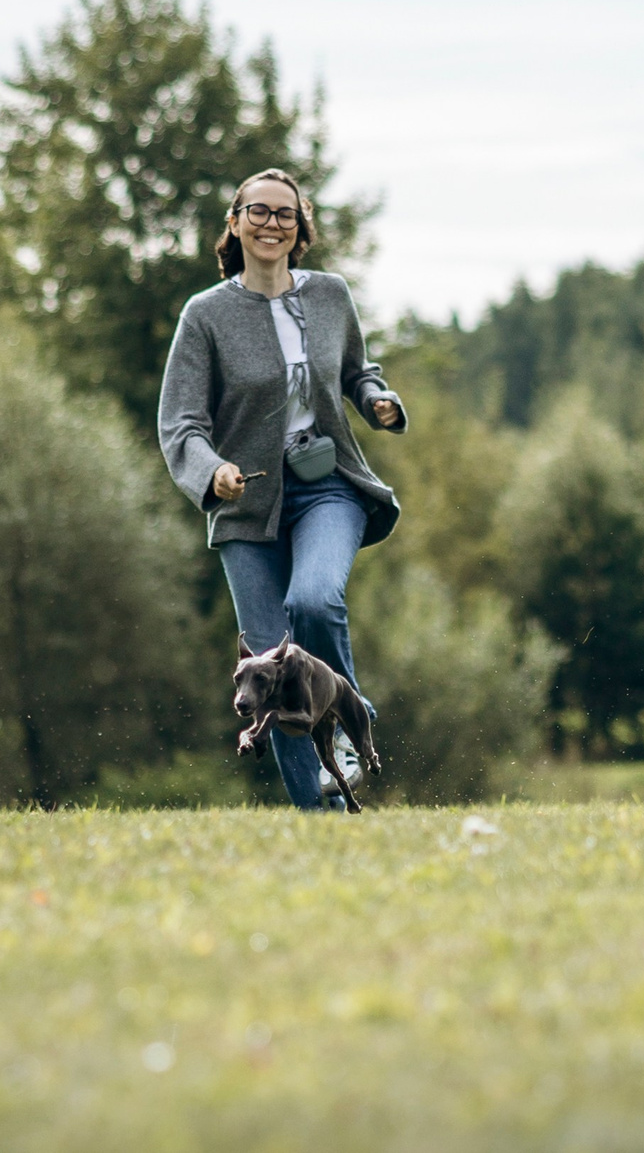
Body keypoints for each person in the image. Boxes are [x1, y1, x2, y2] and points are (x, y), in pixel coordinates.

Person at [157, 167, 407, 809]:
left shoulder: (329, 296)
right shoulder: (205, 316)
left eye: (285, 215)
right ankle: (321, 821)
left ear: (300, 229)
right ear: (234, 223)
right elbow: (181, 421)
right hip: (247, 505)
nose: (272, 224)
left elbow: (358, 370)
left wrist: (376, 398)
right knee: (271, 674)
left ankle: (351, 723)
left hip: (328, 487)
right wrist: (211, 469)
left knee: (316, 602)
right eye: (258, 212)